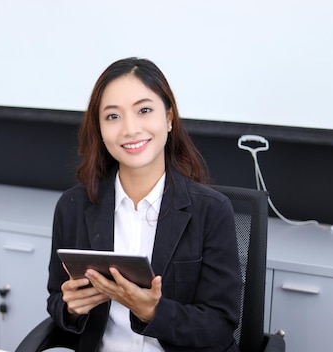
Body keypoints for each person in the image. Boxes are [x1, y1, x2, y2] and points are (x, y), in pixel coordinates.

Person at [46, 57, 241, 351]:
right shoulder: (72, 206)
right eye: (113, 116)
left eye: (144, 110)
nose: (130, 129)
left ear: (169, 117)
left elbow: (219, 325)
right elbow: (56, 300)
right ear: (99, 128)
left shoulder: (211, 211)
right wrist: (72, 308)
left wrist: (152, 312)